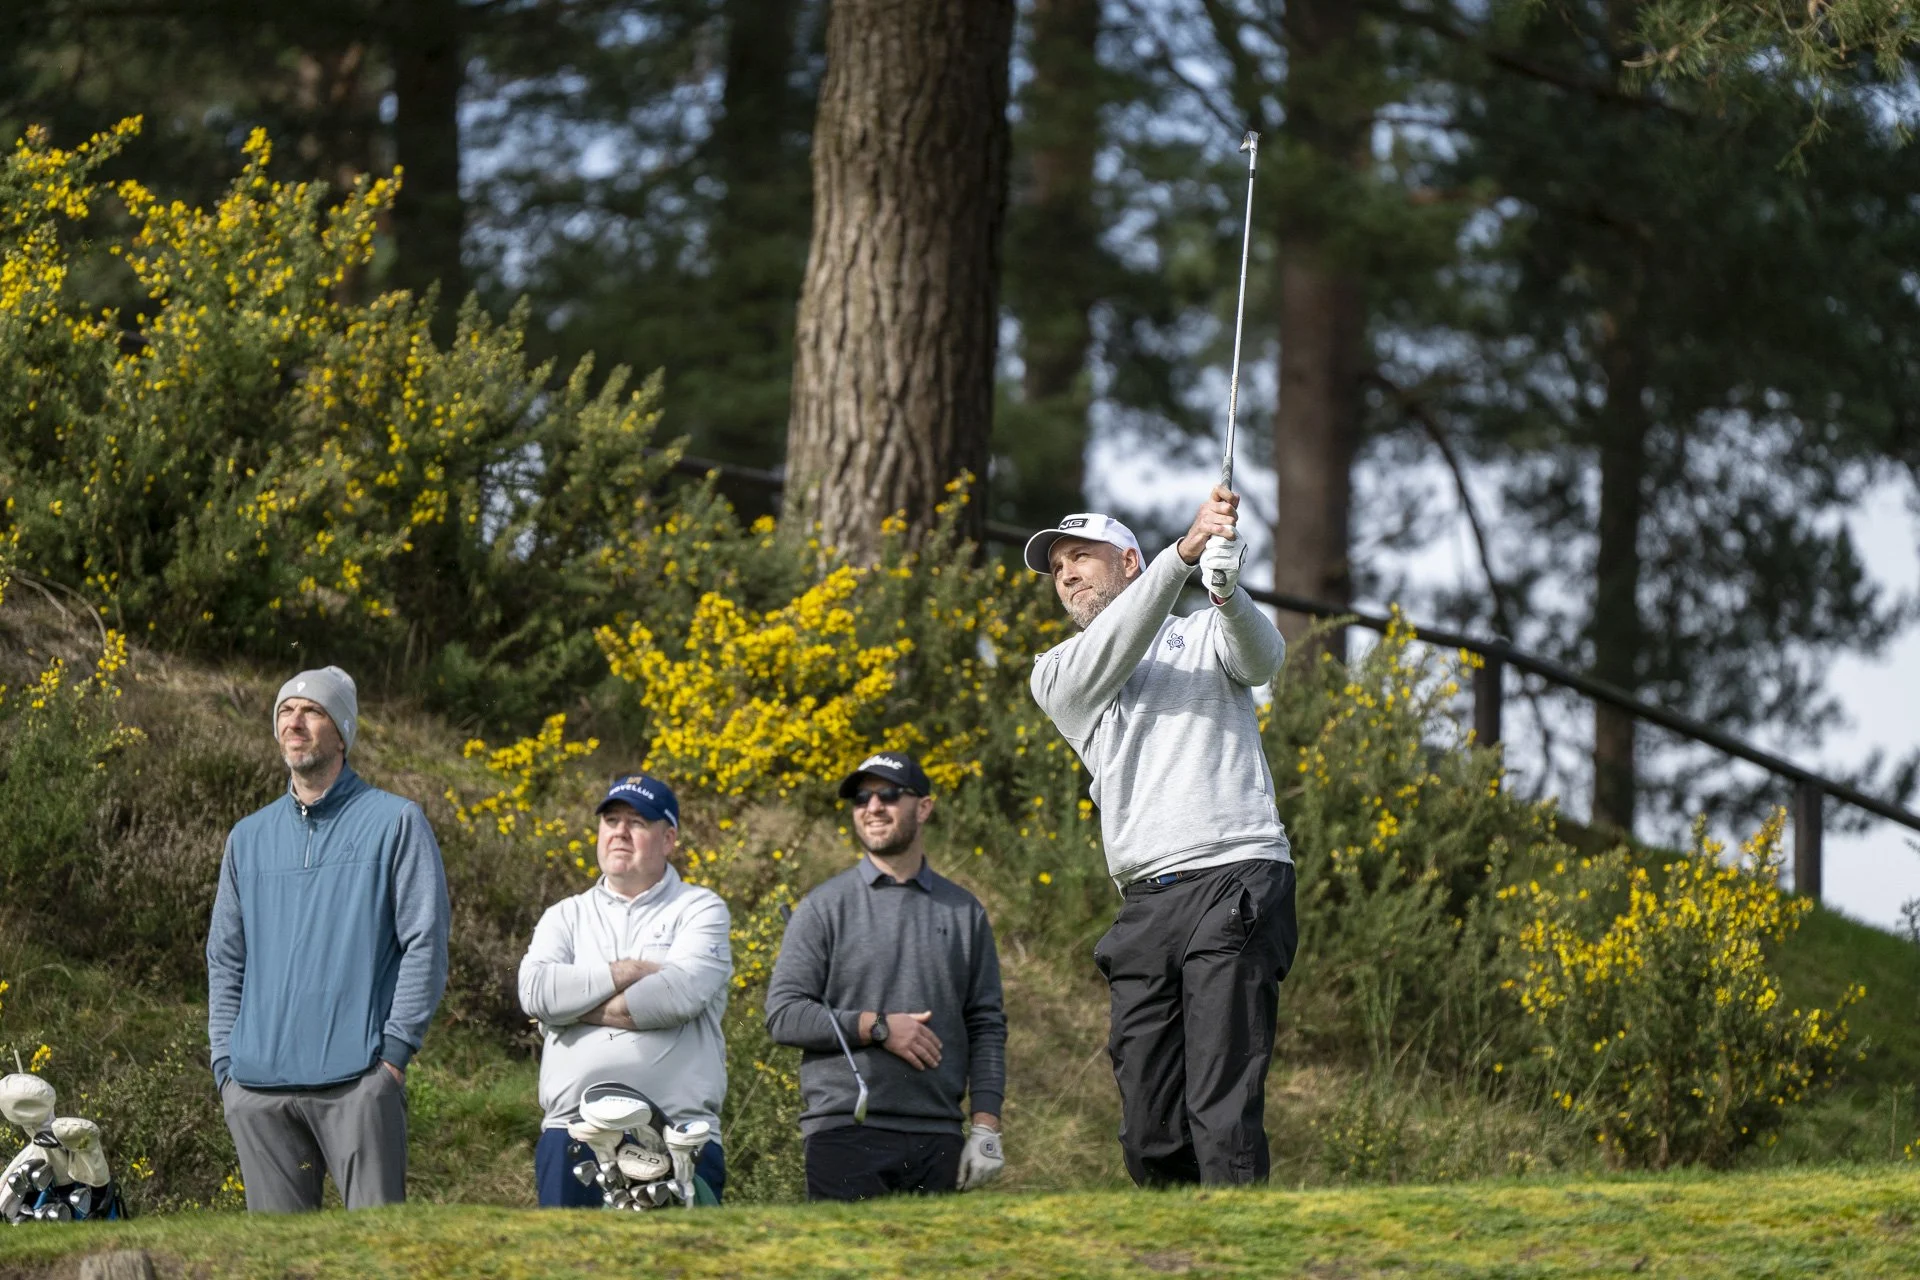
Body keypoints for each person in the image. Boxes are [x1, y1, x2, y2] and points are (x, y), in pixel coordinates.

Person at [1025, 491, 1298, 1187]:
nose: (1066, 574)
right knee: (1149, 1125)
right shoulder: (1058, 672)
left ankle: (1237, 1256)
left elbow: (1264, 661)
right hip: (1145, 905)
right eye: (1057, 567)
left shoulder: (1202, 632)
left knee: (1221, 1104)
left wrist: (1228, 593)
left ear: (1127, 562)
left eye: (1079, 557)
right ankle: (1175, 1252)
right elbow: (1116, 644)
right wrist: (1183, 557)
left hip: (1235, 876)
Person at [206, 666, 450, 1213]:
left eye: (312, 711)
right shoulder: (248, 837)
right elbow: (225, 959)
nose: (295, 722)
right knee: (278, 1266)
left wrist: (392, 1057)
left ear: (341, 731)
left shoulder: (395, 822)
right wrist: (227, 1065)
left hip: (358, 1083)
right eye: (285, 711)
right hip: (257, 1089)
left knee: (376, 1258)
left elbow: (425, 944)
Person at [765, 751, 1007, 1201]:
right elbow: (784, 1014)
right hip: (843, 1132)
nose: (873, 807)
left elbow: (987, 1025)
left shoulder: (964, 911)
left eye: (889, 794)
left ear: (924, 807)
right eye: (861, 798)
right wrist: (876, 1027)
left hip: (938, 1135)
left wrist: (986, 1125)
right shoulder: (823, 906)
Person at [518, 772, 732, 1206]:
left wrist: (572, 1007)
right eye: (611, 820)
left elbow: (676, 996)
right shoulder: (565, 915)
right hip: (572, 1132)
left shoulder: (700, 908)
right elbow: (536, 993)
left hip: (678, 1135)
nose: (619, 832)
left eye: (637, 822)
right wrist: (630, 971)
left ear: (668, 838)